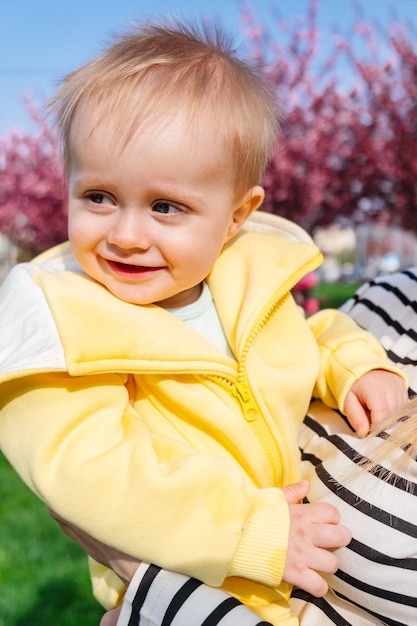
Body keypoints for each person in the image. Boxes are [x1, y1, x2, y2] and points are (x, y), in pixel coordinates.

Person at [0, 19, 408, 626]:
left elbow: (305, 334)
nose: (127, 235)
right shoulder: (66, 322)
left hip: (289, 567)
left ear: (237, 215)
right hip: (191, 578)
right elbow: (94, 471)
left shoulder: (241, 282)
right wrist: (250, 530)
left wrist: (352, 365)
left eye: (166, 207)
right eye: (98, 197)